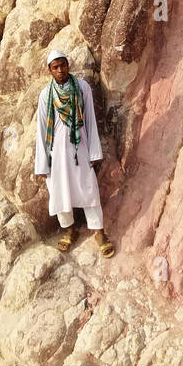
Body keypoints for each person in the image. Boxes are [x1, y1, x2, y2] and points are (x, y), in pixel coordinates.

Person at [34, 49, 114, 257]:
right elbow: (42, 129)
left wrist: (94, 151)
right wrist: (43, 164)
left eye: (63, 65)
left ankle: (98, 232)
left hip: (80, 149)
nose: (60, 70)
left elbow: (90, 120)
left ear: (68, 65)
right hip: (56, 154)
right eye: (55, 67)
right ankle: (69, 230)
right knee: (60, 191)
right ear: (50, 70)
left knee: (88, 189)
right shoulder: (46, 95)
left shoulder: (82, 88)